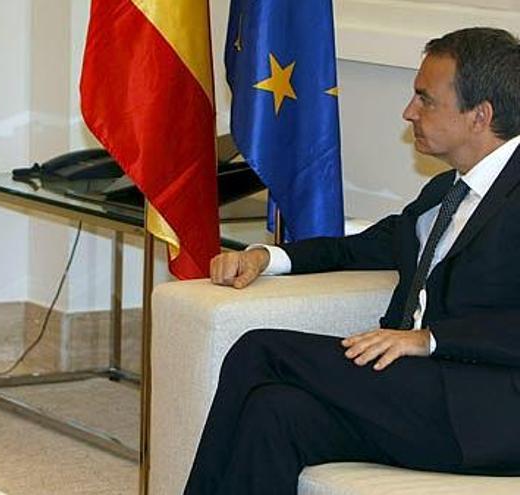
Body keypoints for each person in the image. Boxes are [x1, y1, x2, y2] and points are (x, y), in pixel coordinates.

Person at [184, 27, 520, 494]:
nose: (409, 112)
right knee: (274, 412)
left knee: (258, 349)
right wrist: (267, 256)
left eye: (425, 100)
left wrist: (431, 339)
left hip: (484, 414)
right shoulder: (445, 193)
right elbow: (359, 247)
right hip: (416, 398)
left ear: (479, 115)